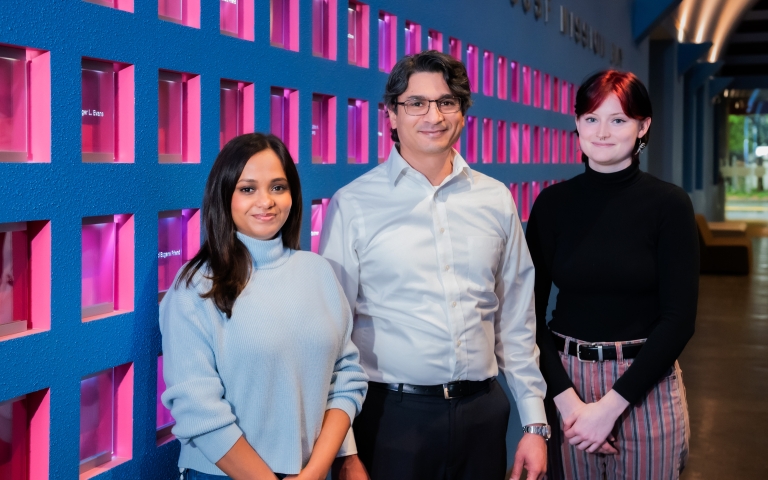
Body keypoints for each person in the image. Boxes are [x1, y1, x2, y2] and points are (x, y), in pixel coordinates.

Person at [320, 50, 550, 480]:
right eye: (416, 103)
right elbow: (333, 337)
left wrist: (534, 424)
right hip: (390, 420)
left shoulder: (496, 199)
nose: (434, 115)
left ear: (462, 113)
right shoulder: (352, 205)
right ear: (390, 115)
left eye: (447, 102)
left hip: (483, 415)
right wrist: (345, 451)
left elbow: (517, 324)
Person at [159, 133, 368, 480]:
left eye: (277, 187)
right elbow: (198, 407)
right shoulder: (195, 285)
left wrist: (316, 471)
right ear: (224, 196)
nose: (266, 201)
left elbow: (345, 378)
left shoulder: (317, 271)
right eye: (247, 189)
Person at [525, 70, 698, 479]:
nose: (603, 131)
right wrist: (568, 403)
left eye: (618, 120)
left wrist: (609, 408)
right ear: (577, 124)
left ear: (643, 127)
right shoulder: (552, 204)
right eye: (591, 118)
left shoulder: (669, 205)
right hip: (567, 382)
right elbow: (526, 313)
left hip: (645, 383)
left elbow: (678, 321)